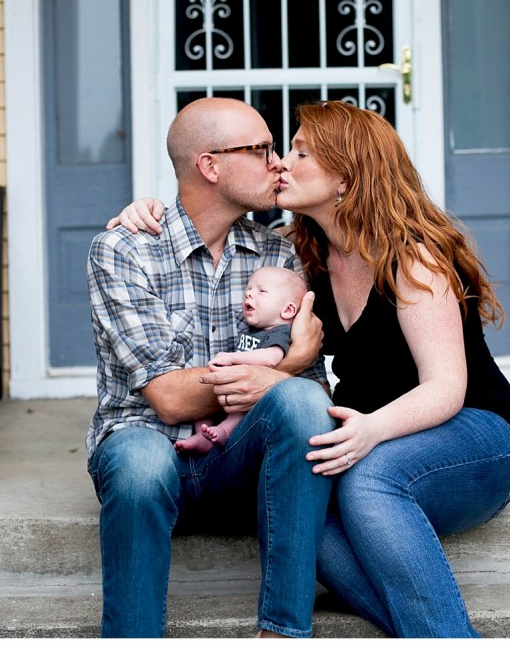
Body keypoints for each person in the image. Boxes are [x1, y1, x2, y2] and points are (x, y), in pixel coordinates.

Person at [110, 99, 510, 638]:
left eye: (300, 152)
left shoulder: (410, 255)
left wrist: (370, 429)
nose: (281, 162)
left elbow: (447, 386)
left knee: (367, 483)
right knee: (310, 533)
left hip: (470, 431)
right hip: (374, 439)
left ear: (346, 181)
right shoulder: (306, 257)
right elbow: (199, 226)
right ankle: (431, 630)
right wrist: (146, 214)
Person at [86, 97, 336, 638]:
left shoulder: (282, 257)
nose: (278, 163)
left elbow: (305, 399)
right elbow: (170, 398)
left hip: (240, 454)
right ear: (210, 165)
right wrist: (286, 362)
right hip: (146, 440)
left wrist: (290, 375)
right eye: (262, 149)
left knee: (306, 402)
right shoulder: (124, 249)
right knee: (138, 466)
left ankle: (283, 631)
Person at [177, 266, 312, 455]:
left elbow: (271, 358)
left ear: (288, 310)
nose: (249, 294)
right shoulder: (254, 331)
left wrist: (233, 358)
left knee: (240, 410)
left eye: (261, 291)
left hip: (250, 401)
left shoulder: (279, 332)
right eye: (248, 290)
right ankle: (203, 435)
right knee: (200, 408)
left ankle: (224, 431)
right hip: (234, 389)